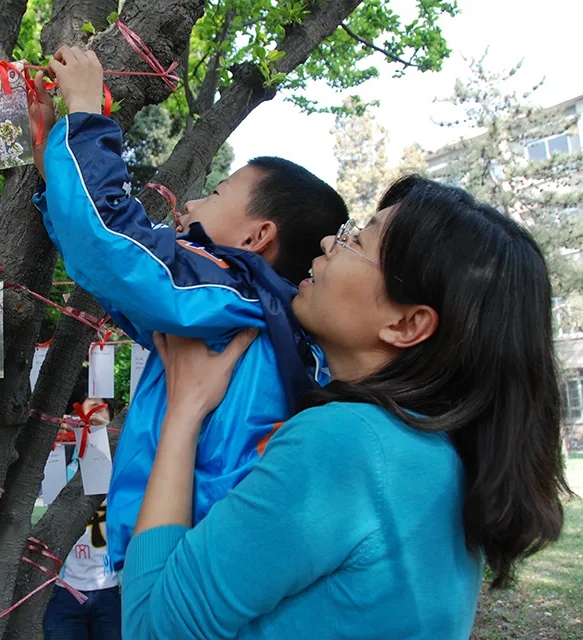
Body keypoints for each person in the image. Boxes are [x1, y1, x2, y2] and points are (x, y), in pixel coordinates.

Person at [122, 176, 570, 638]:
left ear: (406, 324)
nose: (327, 242)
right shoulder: (436, 454)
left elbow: (153, 629)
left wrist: (184, 412)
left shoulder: (347, 444)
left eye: (356, 240)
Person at [29, 46, 348, 570]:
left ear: (257, 236)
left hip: (188, 551)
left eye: (216, 192)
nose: (193, 204)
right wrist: (55, 168)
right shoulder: (234, 312)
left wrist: (86, 116)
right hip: (187, 546)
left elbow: (117, 248)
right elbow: (112, 275)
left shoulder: (237, 294)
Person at [43, 384, 121, 640]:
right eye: (85, 419)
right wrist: (50, 444)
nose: (91, 426)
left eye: (98, 419)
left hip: (112, 589)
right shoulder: (58, 465)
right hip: (62, 589)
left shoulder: (123, 470)